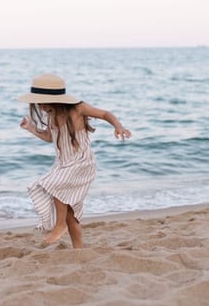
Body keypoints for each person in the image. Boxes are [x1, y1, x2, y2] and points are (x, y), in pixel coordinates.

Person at [17, 73, 131, 248]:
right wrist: (31, 128)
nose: (40, 106)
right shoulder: (52, 115)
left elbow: (105, 114)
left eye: (42, 101)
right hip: (63, 165)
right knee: (70, 211)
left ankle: (59, 225)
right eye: (37, 102)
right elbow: (50, 137)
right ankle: (79, 249)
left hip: (81, 163)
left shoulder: (77, 108)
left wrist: (118, 126)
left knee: (53, 184)